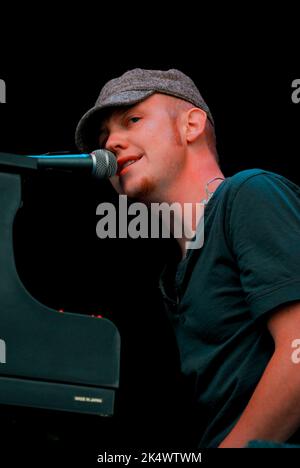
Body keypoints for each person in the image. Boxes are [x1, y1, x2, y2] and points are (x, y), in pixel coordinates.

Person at [75, 68, 300, 448]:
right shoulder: (171, 272)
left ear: (191, 124)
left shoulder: (248, 193)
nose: (111, 142)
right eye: (104, 136)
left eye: (133, 119)